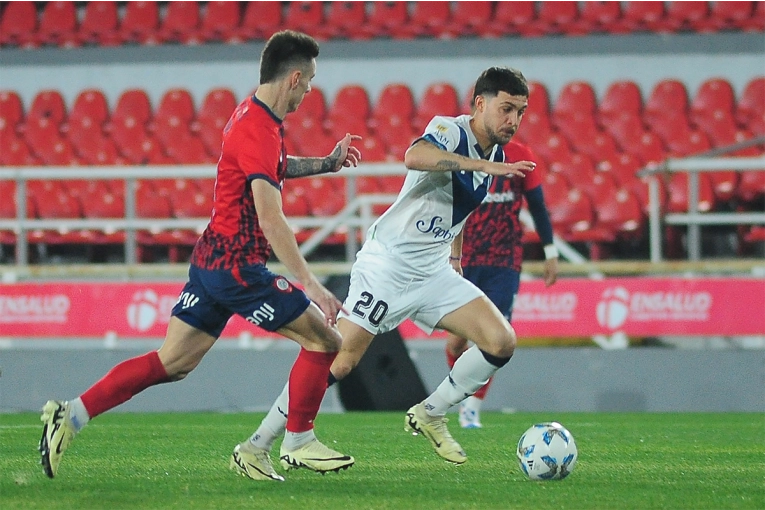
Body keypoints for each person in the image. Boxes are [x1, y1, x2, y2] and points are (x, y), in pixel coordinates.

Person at [39, 30, 361, 482]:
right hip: (238, 267)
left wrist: (325, 164)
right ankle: (297, 441)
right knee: (326, 340)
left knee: (172, 363)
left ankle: (70, 415)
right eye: (308, 82)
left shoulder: (251, 114)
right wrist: (311, 283)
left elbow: (274, 165)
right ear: (292, 78)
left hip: (211, 258)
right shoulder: (258, 127)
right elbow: (272, 218)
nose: (309, 91)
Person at [246, 66, 535, 467]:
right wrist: (480, 166)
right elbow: (414, 155)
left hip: (434, 271)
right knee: (339, 361)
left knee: (501, 341)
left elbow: (458, 210)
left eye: (520, 112)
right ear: (481, 103)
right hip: (390, 266)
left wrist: (455, 257)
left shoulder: (496, 155)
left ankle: (431, 413)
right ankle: (257, 444)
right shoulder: (451, 131)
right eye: (507, 109)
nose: (514, 121)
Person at [446, 139, 559, 429]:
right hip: (465, 260)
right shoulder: (464, 153)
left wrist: (551, 252)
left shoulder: (522, 155)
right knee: (456, 342)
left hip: (503, 262)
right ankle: (461, 393)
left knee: (494, 338)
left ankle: (471, 408)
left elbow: (537, 204)